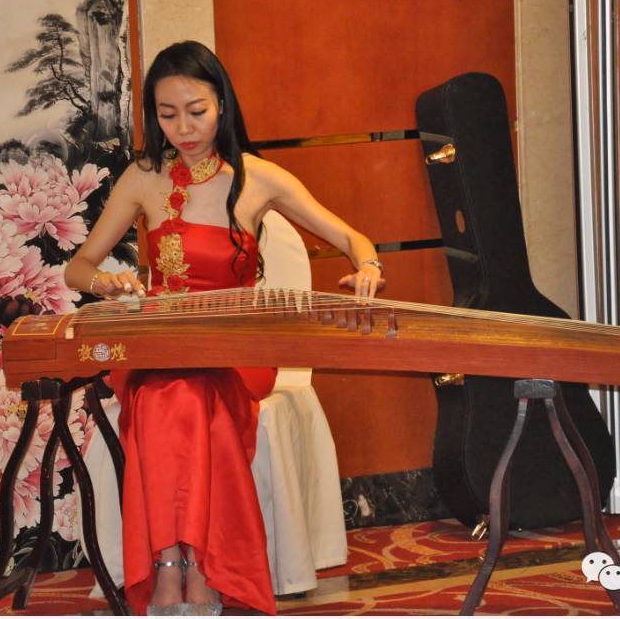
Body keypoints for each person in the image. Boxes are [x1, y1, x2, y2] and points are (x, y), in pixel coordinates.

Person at [65, 40, 385, 616]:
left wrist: (368, 266)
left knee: (184, 398)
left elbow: (351, 237)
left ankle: (191, 566)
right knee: (168, 395)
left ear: (223, 106)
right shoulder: (144, 178)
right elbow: (78, 267)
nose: (184, 129)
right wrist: (105, 283)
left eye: (197, 111)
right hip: (160, 344)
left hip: (236, 348)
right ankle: (177, 566)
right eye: (168, 115)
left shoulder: (258, 178)